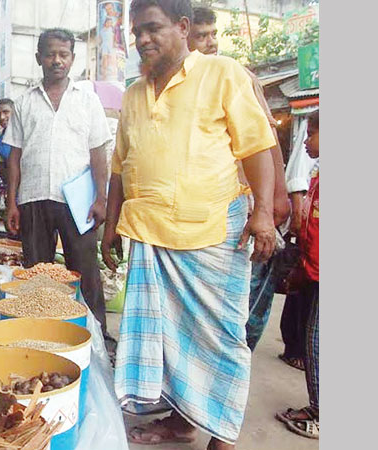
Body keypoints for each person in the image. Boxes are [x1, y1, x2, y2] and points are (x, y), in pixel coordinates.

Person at [101, 1, 276, 448]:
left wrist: (263, 214)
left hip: (212, 233)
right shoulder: (135, 94)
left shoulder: (223, 73)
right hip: (149, 236)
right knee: (168, 345)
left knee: (220, 341)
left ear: (182, 27)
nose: (142, 39)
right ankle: (181, 422)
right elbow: (120, 167)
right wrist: (110, 228)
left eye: (152, 28)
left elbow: (256, 146)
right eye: (136, 30)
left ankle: (223, 436)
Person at [187, 5, 291, 351]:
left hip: (245, 202)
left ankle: (233, 365)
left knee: (241, 303)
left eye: (213, 34)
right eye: (202, 36)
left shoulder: (238, 75)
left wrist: (276, 197)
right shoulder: (183, 81)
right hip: (203, 210)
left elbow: (267, 140)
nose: (211, 42)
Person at [3, 28, 113, 337]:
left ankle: (97, 335)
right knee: (38, 271)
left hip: (77, 200)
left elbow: (98, 153)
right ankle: (43, 334)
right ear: (39, 58)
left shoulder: (87, 101)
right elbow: (15, 156)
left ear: (72, 59)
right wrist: (12, 201)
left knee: (85, 270)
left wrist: (100, 198)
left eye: (63, 55)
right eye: (50, 54)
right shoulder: (24, 102)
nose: (57, 60)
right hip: (34, 197)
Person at [275, 110, 319, 440]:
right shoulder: (318, 178)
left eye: (312, 133)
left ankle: (319, 411)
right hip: (313, 271)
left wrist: (305, 271)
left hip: (317, 273)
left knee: (315, 341)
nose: (305, 140)